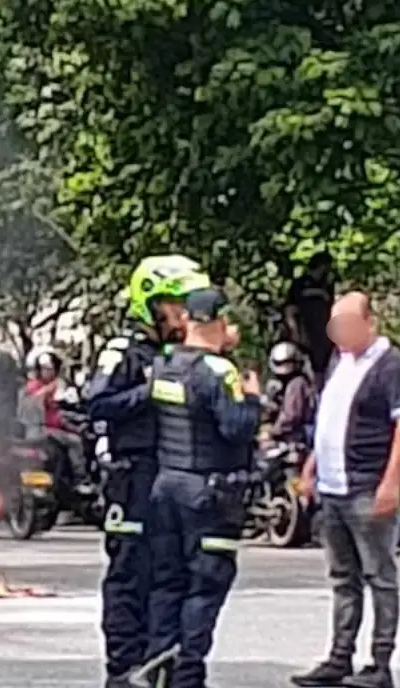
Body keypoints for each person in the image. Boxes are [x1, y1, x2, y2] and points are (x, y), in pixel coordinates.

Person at [87, 254, 209, 688]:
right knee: (128, 575)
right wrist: (150, 391)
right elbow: (97, 402)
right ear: (151, 305)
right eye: (177, 304)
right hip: (134, 476)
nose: (185, 314)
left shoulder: (188, 356)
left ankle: (165, 666)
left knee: (175, 576)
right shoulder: (125, 352)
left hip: (176, 478)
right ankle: (122, 669)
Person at [133, 288, 261, 688]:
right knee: (205, 585)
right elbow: (236, 427)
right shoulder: (219, 371)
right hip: (208, 493)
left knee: (167, 582)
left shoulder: (164, 366)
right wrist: (253, 399)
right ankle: (188, 674)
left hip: (165, 487)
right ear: (221, 322)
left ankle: (159, 664)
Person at [292, 292, 400, 688]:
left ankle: (380, 662)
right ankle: (339, 655)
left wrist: (391, 482)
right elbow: (328, 420)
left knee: (379, 575)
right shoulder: (339, 361)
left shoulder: (388, 364)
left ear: (370, 322)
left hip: (367, 484)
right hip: (333, 486)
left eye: (347, 324)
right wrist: (311, 469)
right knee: (342, 576)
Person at [24, 349, 92, 491]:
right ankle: (81, 480)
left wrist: (76, 425)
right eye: (45, 369)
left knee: (79, 436)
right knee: (75, 442)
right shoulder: (34, 386)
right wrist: (54, 386)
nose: (49, 372)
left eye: (51, 369)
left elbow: (57, 415)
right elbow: (36, 399)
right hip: (39, 430)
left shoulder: (55, 387)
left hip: (50, 429)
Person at [284, 250, 336, 378]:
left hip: (323, 335)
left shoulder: (327, 286)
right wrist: (294, 331)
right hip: (305, 331)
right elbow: (290, 309)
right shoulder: (299, 284)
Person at [266, 341, 315, 445]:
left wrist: (272, 432)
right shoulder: (283, 385)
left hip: (297, 439)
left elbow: (290, 416)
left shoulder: (296, 384)